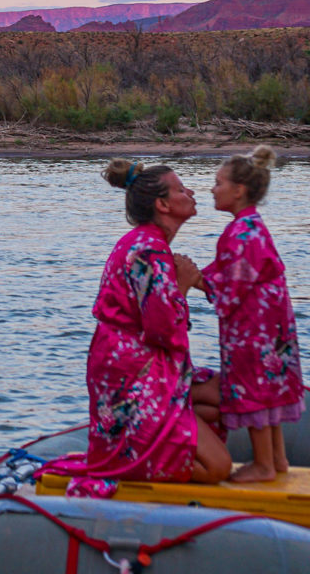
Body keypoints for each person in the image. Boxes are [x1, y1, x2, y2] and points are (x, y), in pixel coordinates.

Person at [62, 159, 232, 494]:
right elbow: (163, 331)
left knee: (225, 396)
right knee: (218, 467)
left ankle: (163, 430)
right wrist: (182, 286)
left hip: (147, 369)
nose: (193, 192)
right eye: (182, 189)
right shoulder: (149, 251)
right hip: (134, 377)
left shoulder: (148, 243)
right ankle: (132, 460)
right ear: (163, 204)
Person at [192, 146, 304, 482]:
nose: (212, 189)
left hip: (253, 330)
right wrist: (199, 277)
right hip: (272, 326)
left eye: (218, 183)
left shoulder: (240, 233)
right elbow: (229, 274)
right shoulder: (252, 227)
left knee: (254, 388)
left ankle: (264, 464)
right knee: (269, 389)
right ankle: (278, 458)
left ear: (238, 190)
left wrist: (194, 280)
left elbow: (233, 286)